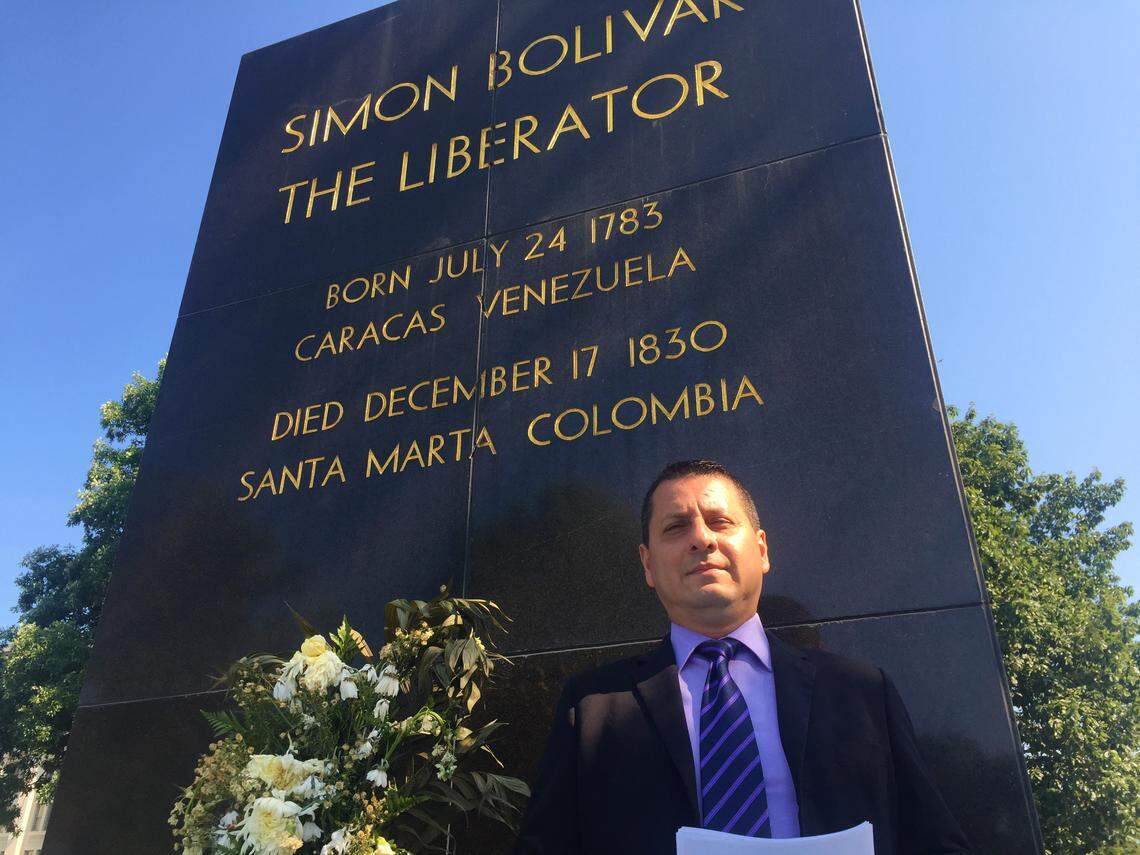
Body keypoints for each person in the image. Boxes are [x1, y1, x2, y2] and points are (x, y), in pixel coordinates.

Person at [515, 459, 970, 854]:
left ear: (761, 549)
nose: (702, 540)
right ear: (648, 565)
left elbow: (934, 841)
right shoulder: (593, 707)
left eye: (720, 522)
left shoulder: (863, 692)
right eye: (676, 527)